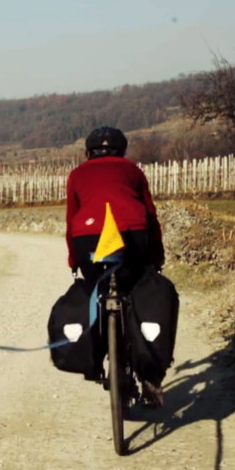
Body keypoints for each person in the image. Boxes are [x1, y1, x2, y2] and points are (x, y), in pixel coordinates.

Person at [65, 126, 166, 406]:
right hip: (132, 234)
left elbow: (71, 220)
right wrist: (155, 257)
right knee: (137, 292)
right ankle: (149, 372)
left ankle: (94, 359)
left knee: (96, 292)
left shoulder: (77, 175)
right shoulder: (133, 171)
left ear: (88, 152)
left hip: (87, 238)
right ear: (122, 151)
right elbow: (151, 216)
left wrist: (74, 261)